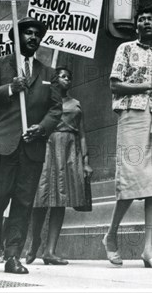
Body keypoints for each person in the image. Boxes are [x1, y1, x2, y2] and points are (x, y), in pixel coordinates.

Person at [0, 17, 62, 275]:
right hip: (3, 144)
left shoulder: (49, 73)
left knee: (23, 203)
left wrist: (42, 127)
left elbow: (55, 109)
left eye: (37, 34)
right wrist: (10, 89)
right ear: (16, 37)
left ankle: (13, 256)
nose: (33, 37)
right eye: (27, 33)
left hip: (32, 147)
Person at [103, 6, 152, 269]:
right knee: (130, 181)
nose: (146, 22)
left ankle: (148, 249)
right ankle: (111, 236)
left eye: (150, 19)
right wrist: (147, 85)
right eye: (141, 19)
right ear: (136, 26)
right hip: (132, 116)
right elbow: (114, 84)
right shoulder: (126, 49)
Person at [25, 67, 93, 265]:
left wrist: (86, 161)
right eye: (62, 76)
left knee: (61, 200)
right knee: (41, 198)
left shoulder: (76, 104)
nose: (66, 79)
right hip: (46, 148)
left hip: (69, 151)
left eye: (68, 76)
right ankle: (34, 241)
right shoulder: (44, 101)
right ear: (53, 80)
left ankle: (50, 251)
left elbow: (82, 133)